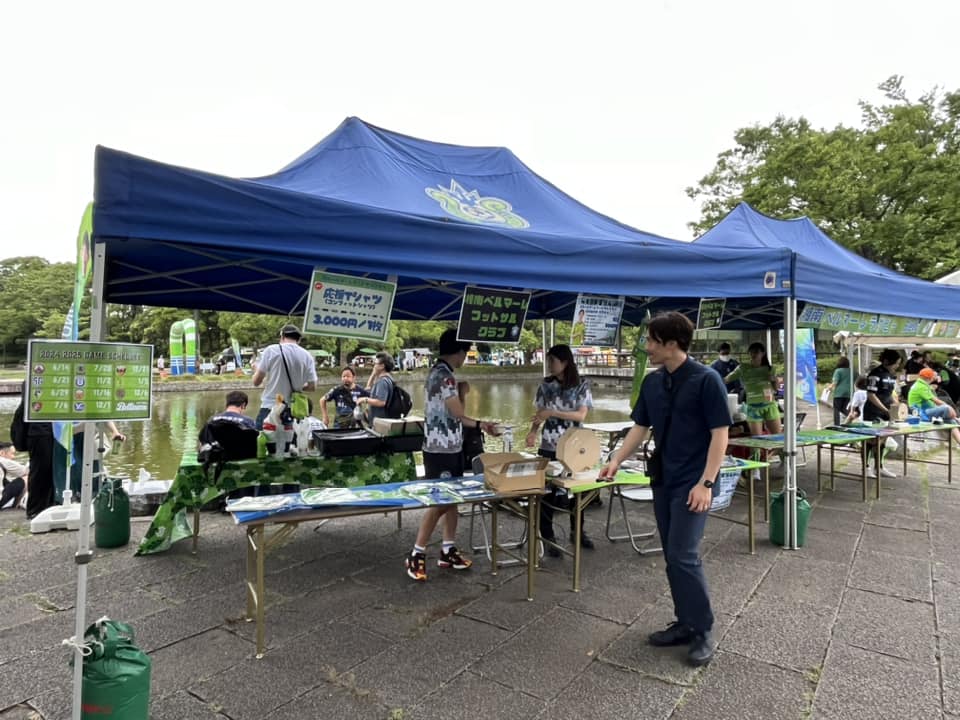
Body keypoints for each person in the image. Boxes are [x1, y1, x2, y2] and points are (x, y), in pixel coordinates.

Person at [599, 311, 730, 667]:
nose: (647, 347)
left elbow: (721, 435)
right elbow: (640, 427)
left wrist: (706, 483)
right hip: (663, 479)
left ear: (672, 343)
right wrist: (615, 460)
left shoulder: (707, 380)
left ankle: (702, 628)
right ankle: (685, 622)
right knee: (673, 556)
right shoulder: (654, 383)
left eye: (652, 341)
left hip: (694, 481)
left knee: (684, 555)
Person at [405, 329, 499, 582]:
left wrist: (462, 395)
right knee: (440, 502)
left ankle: (448, 549)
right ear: (458, 352)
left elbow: (454, 415)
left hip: (451, 446)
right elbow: (459, 414)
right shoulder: (445, 377)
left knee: (453, 498)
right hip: (440, 449)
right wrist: (478, 416)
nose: (465, 358)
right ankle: (417, 553)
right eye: (465, 353)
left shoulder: (438, 372)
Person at [525, 344, 594, 555]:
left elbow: (581, 415)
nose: (549, 365)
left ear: (565, 362)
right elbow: (540, 413)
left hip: (575, 445)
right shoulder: (545, 386)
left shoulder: (582, 385)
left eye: (552, 361)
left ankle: (578, 531)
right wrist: (533, 431)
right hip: (549, 444)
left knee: (579, 490)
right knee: (546, 491)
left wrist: (553, 413)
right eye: (548, 361)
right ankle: (548, 536)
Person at [252, 324, 317, 430]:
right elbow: (312, 387)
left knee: (263, 443)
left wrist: (255, 369)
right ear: (299, 339)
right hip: (294, 411)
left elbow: (256, 382)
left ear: (282, 336)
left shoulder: (271, 350)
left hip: (270, 407)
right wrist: (298, 386)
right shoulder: (307, 356)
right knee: (291, 445)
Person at [724, 342, 782, 439]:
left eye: (756, 352)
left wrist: (775, 380)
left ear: (762, 353)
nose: (753, 354)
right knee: (756, 442)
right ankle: (760, 454)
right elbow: (726, 379)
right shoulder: (742, 368)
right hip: (753, 408)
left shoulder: (770, 369)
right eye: (751, 352)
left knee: (778, 439)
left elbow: (776, 388)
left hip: (770, 405)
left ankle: (774, 454)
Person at [908, 369, 960, 446]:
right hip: (920, 414)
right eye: (933, 376)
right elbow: (937, 401)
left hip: (925, 412)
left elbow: (933, 404)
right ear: (930, 378)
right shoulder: (921, 386)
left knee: (951, 421)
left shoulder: (922, 384)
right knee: (946, 408)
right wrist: (950, 409)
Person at [357, 352, 396, 424]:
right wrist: (373, 374)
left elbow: (381, 402)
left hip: (380, 422)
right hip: (379, 421)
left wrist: (364, 399)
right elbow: (368, 388)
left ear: (382, 366)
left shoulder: (382, 382)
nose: (374, 366)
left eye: (375, 363)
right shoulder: (387, 379)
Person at [0, 441, 28, 510]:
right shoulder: (3, 461)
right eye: (12, 454)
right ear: (2, 453)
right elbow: (26, 470)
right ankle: (17, 504)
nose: (13, 457)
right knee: (27, 478)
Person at [826, 356, 853, 426]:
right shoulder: (852, 371)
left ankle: (837, 425)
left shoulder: (838, 371)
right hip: (849, 393)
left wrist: (829, 388)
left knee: (837, 409)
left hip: (839, 393)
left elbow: (835, 382)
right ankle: (850, 419)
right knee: (845, 408)